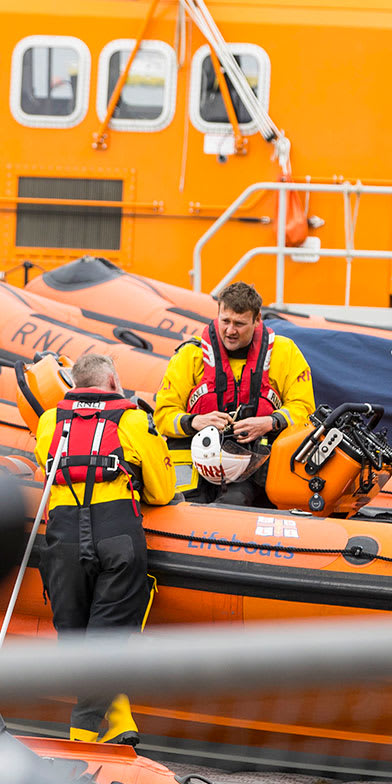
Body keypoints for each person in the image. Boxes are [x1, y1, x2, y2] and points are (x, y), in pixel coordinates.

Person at [33, 352, 177, 744]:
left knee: (77, 641)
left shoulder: (49, 421)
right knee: (107, 640)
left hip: (62, 537)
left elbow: (45, 466)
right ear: (113, 382)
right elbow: (163, 491)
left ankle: (119, 718)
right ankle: (82, 734)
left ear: (74, 386)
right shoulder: (132, 419)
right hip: (116, 535)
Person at [154, 281, 316, 506]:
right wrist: (196, 421)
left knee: (237, 500)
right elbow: (162, 416)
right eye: (225, 321)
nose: (230, 331)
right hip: (194, 461)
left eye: (239, 324)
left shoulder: (285, 353)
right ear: (218, 313)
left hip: (251, 461)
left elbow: (304, 409)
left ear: (257, 319)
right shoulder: (190, 356)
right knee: (185, 505)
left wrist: (270, 422)